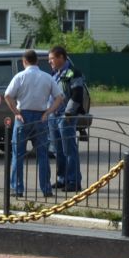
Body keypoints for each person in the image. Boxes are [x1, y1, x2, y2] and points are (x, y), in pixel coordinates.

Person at [4, 48, 59, 197]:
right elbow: (60, 97)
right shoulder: (47, 77)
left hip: (23, 116)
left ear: (24, 61)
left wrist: (16, 112)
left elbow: (7, 95)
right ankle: (46, 188)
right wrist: (48, 111)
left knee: (18, 154)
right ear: (37, 61)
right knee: (42, 154)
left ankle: (18, 189)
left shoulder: (20, 76)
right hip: (41, 116)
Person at [45, 44, 87, 190]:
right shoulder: (54, 74)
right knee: (57, 150)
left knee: (69, 150)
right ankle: (62, 179)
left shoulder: (73, 73)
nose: (49, 62)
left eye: (52, 59)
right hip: (53, 116)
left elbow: (77, 94)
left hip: (65, 117)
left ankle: (73, 181)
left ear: (61, 58)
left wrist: (68, 114)